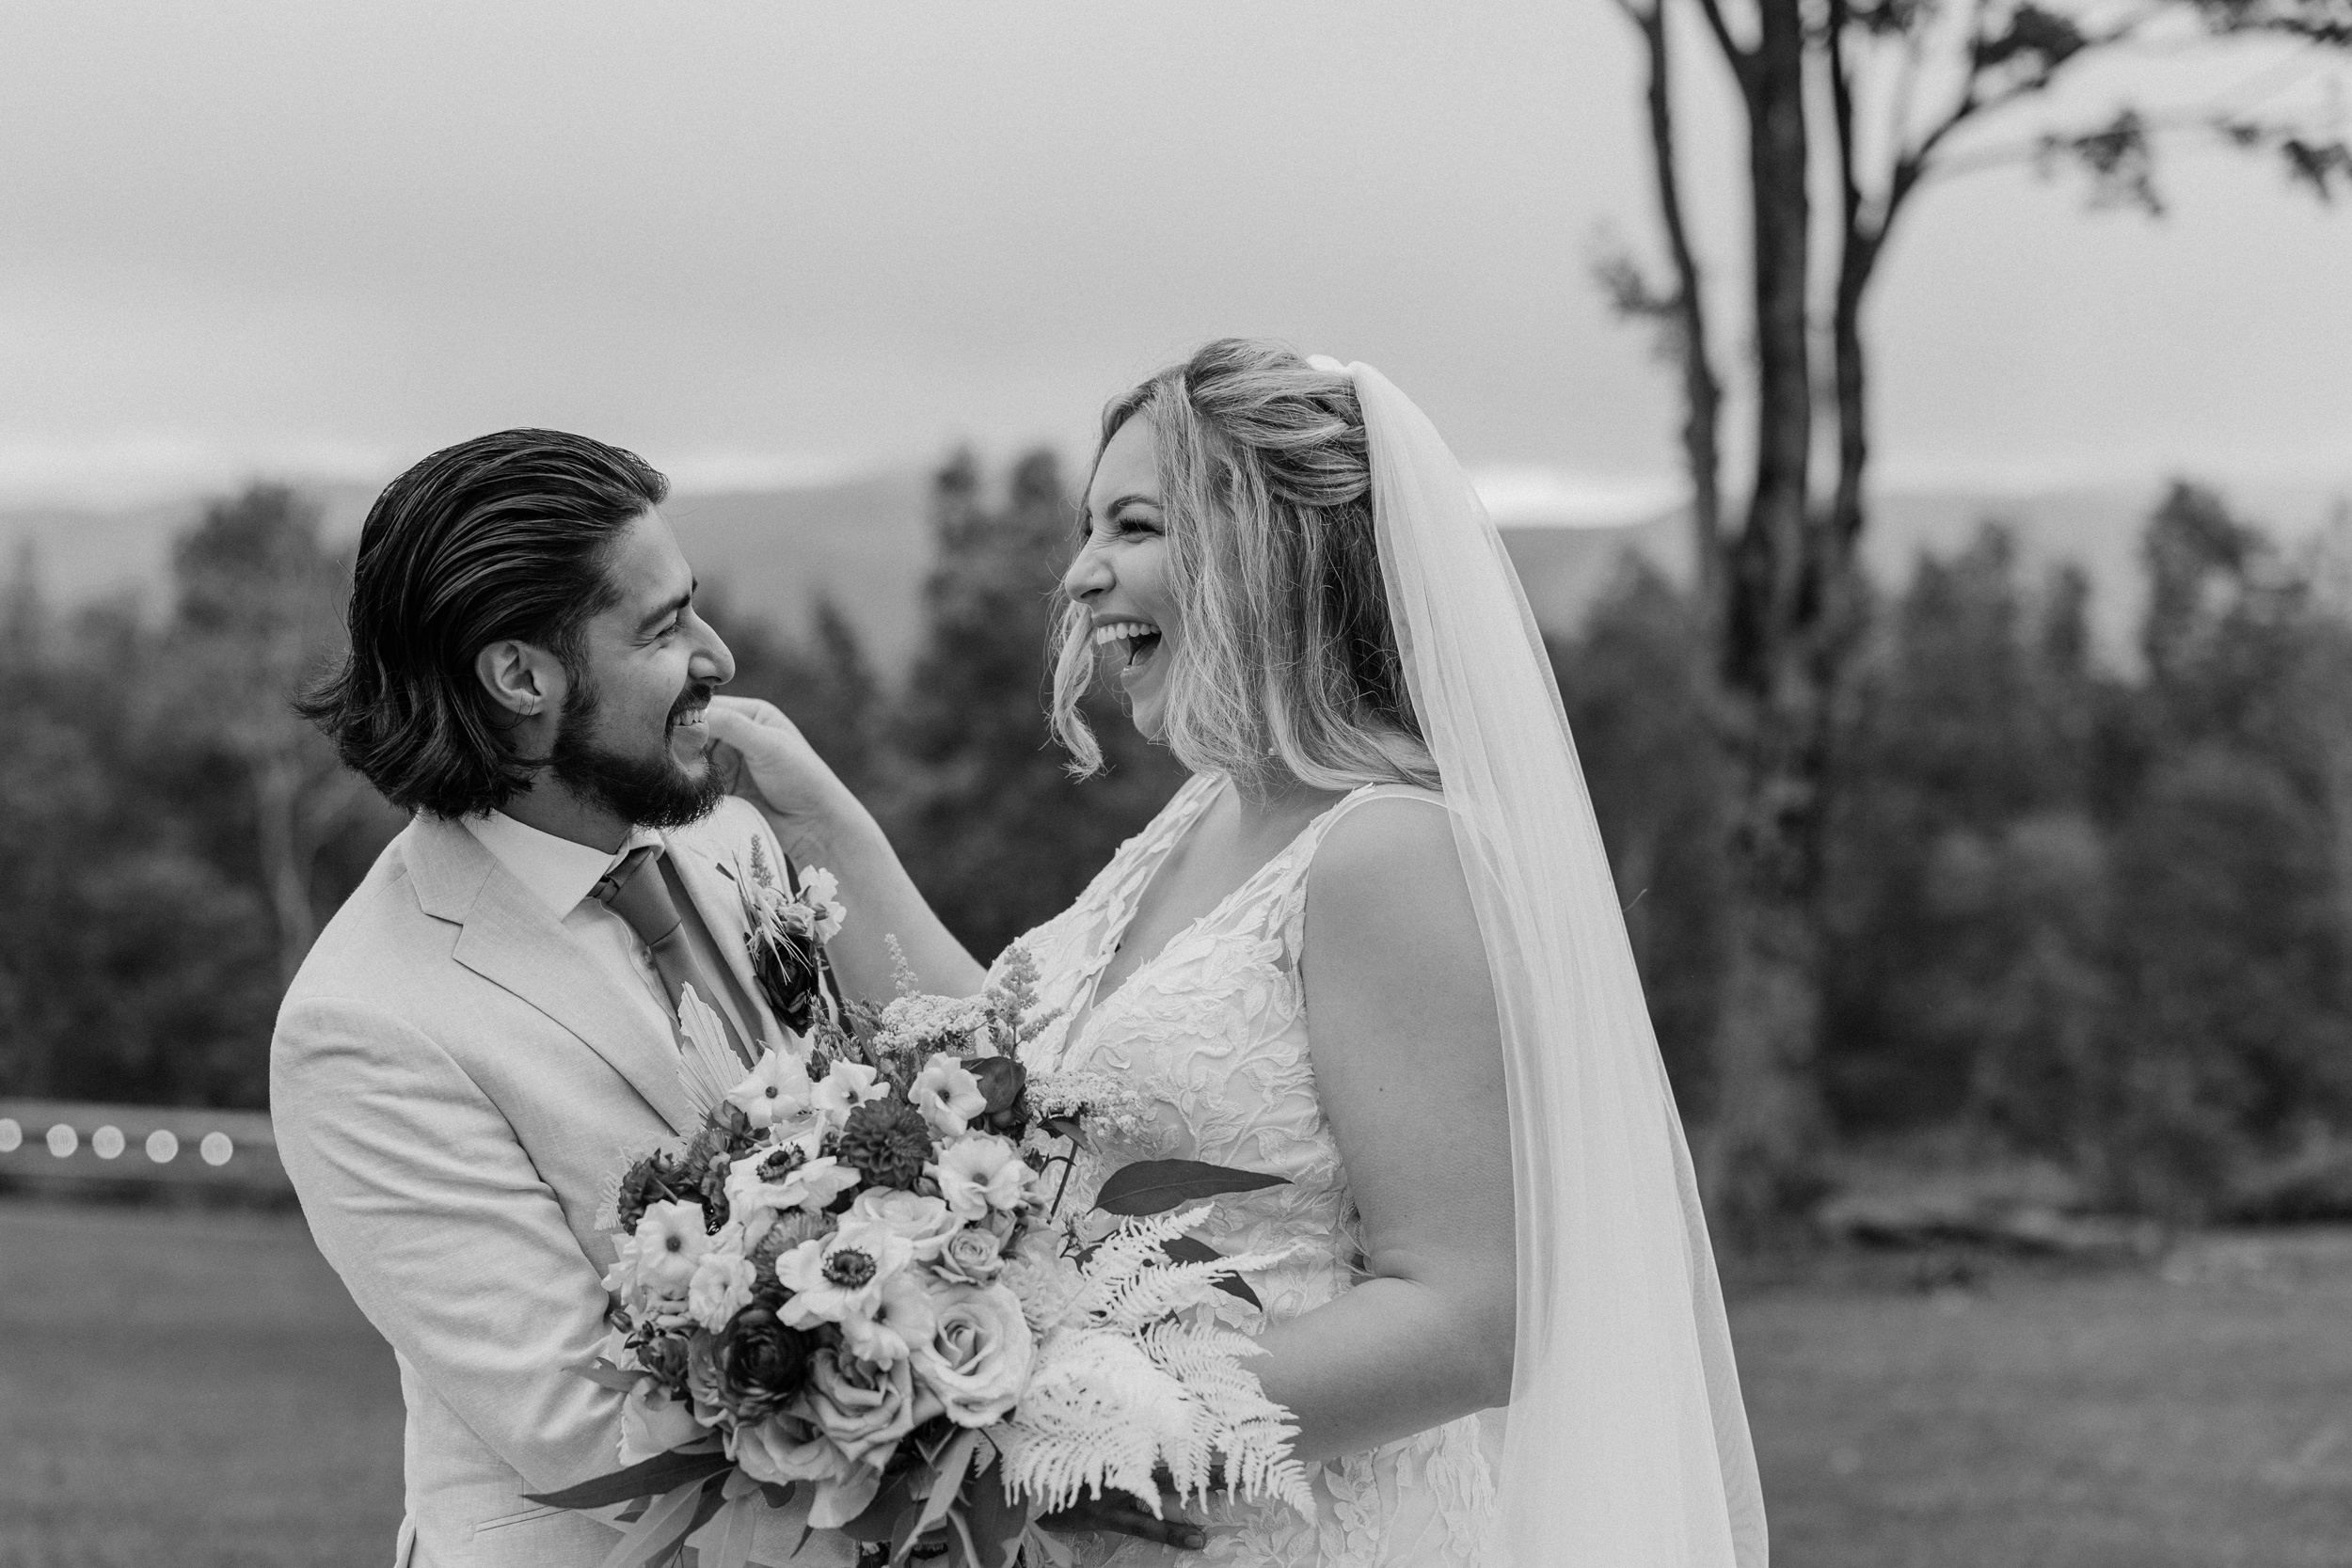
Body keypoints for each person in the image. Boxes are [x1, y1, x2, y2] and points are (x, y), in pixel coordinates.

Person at [707, 340, 1769, 1566]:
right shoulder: (1204, 813)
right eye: (1088, 527)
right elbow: (1004, 1080)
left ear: (1266, 551)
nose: (1082, 574)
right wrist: (820, 824)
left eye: (1133, 525)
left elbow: (1474, 1315)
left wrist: (1058, 1416)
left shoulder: (1388, 854)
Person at [272, 429, 843, 1568]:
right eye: (663, 626)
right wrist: (927, 1384)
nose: (719, 654)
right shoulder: (365, 1023)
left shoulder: (735, 840)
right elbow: (590, 1435)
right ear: (522, 675)